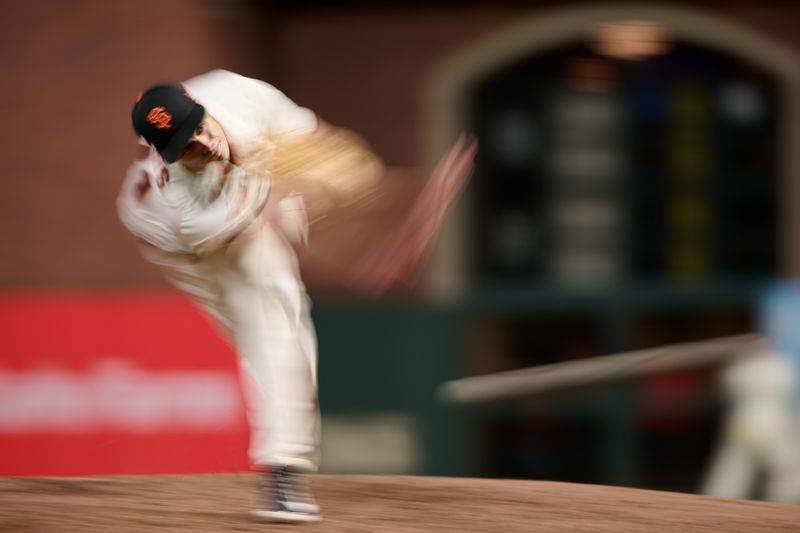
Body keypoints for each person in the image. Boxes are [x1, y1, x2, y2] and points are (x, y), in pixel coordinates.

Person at [117, 69, 476, 523]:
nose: (203, 143)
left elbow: (311, 140)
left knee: (293, 224)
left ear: (201, 105)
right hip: (183, 243)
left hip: (244, 195)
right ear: (165, 153)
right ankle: (282, 475)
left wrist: (357, 178)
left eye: (199, 128)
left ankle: (284, 464)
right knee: (272, 322)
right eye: (186, 145)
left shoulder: (236, 92)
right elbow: (275, 205)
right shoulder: (183, 200)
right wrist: (367, 220)